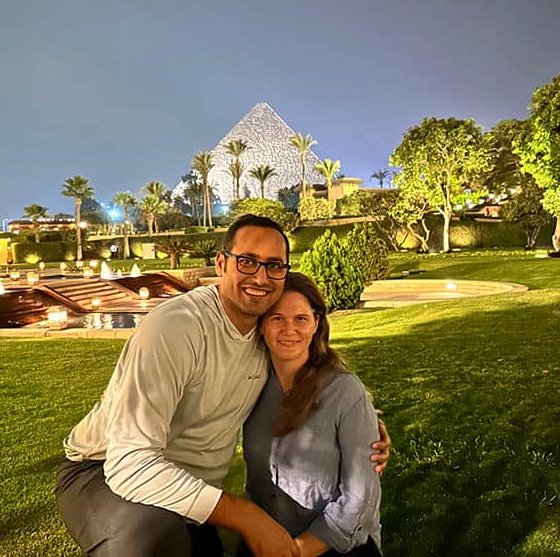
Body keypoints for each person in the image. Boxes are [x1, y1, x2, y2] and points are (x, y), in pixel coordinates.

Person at [56, 214, 390, 557]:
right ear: (221, 264)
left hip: (189, 491)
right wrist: (246, 516)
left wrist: (361, 428)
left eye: (274, 266)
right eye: (247, 262)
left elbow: (312, 380)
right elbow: (130, 462)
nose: (260, 277)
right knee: (153, 541)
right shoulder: (176, 328)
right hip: (106, 469)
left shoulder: (265, 334)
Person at [240, 273, 382, 556]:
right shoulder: (246, 388)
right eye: (277, 318)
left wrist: (299, 550)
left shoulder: (344, 392)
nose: (288, 329)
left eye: (300, 319)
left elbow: (360, 496)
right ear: (261, 327)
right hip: (264, 542)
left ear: (316, 323)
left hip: (331, 546)